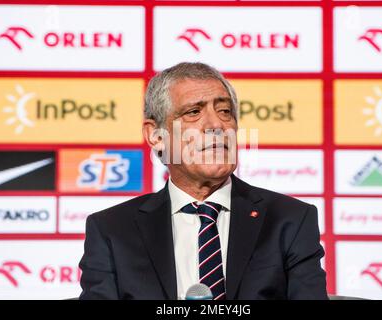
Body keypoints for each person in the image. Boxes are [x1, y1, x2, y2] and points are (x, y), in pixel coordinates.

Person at [79, 62, 328, 300]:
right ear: (156, 137)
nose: (216, 125)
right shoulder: (112, 230)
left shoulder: (289, 220)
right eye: (193, 112)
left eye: (225, 111)